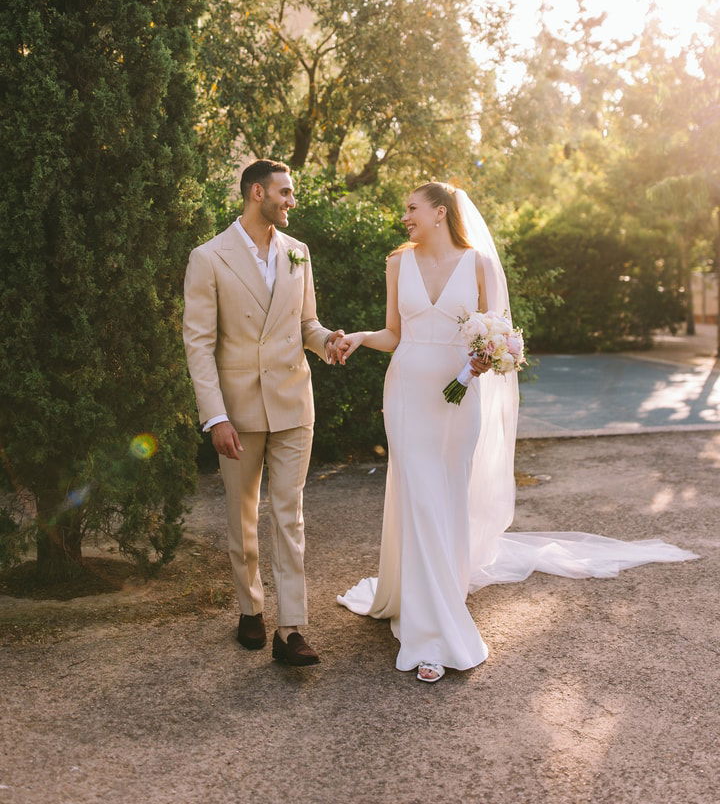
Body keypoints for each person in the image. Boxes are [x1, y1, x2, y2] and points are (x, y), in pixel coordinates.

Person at [335, 182, 698, 682]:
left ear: (440, 213)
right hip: (407, 395)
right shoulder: (398, 264)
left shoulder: (478, 264)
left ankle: (441, 591)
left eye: (412, 209)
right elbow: (394, 333)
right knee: (418, 497)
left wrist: (489, 356)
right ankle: (431, 631)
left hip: (460, 401)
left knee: (446, 499)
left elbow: (499, 332)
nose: (405, 218)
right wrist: (358, 337)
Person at [183, 159, 344, 666]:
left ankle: (291, 628)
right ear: (258, 193)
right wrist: (215, 417)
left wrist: (328, 343)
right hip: (238, 412)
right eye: (286, 192)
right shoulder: (208, 258)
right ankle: (250, 607)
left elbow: (307, 323)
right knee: (243, 516)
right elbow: (199, 344)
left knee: (289, 514)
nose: (292, 201)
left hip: (295, 403)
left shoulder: (299, 253)